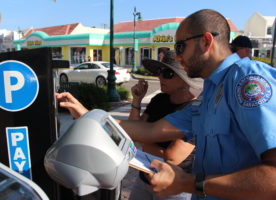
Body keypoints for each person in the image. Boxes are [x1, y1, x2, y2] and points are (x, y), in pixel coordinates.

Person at [56, 9, 276, 200]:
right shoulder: (211, 92)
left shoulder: (247, 81)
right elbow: (152, 130)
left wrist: (190, 183)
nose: (177, 57)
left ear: (206, 41)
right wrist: (89, 116)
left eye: (180, 47)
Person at [128, 50, 203, 200]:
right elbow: (134, 130)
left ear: (184, 79)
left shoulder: (196, 110)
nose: (160, 77)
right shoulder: (159, 99)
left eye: (167, 73)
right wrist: (136, 101)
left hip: (174, 187)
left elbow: (172, 157)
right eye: (160, 72)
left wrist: (143, 138)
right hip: (145, 176)